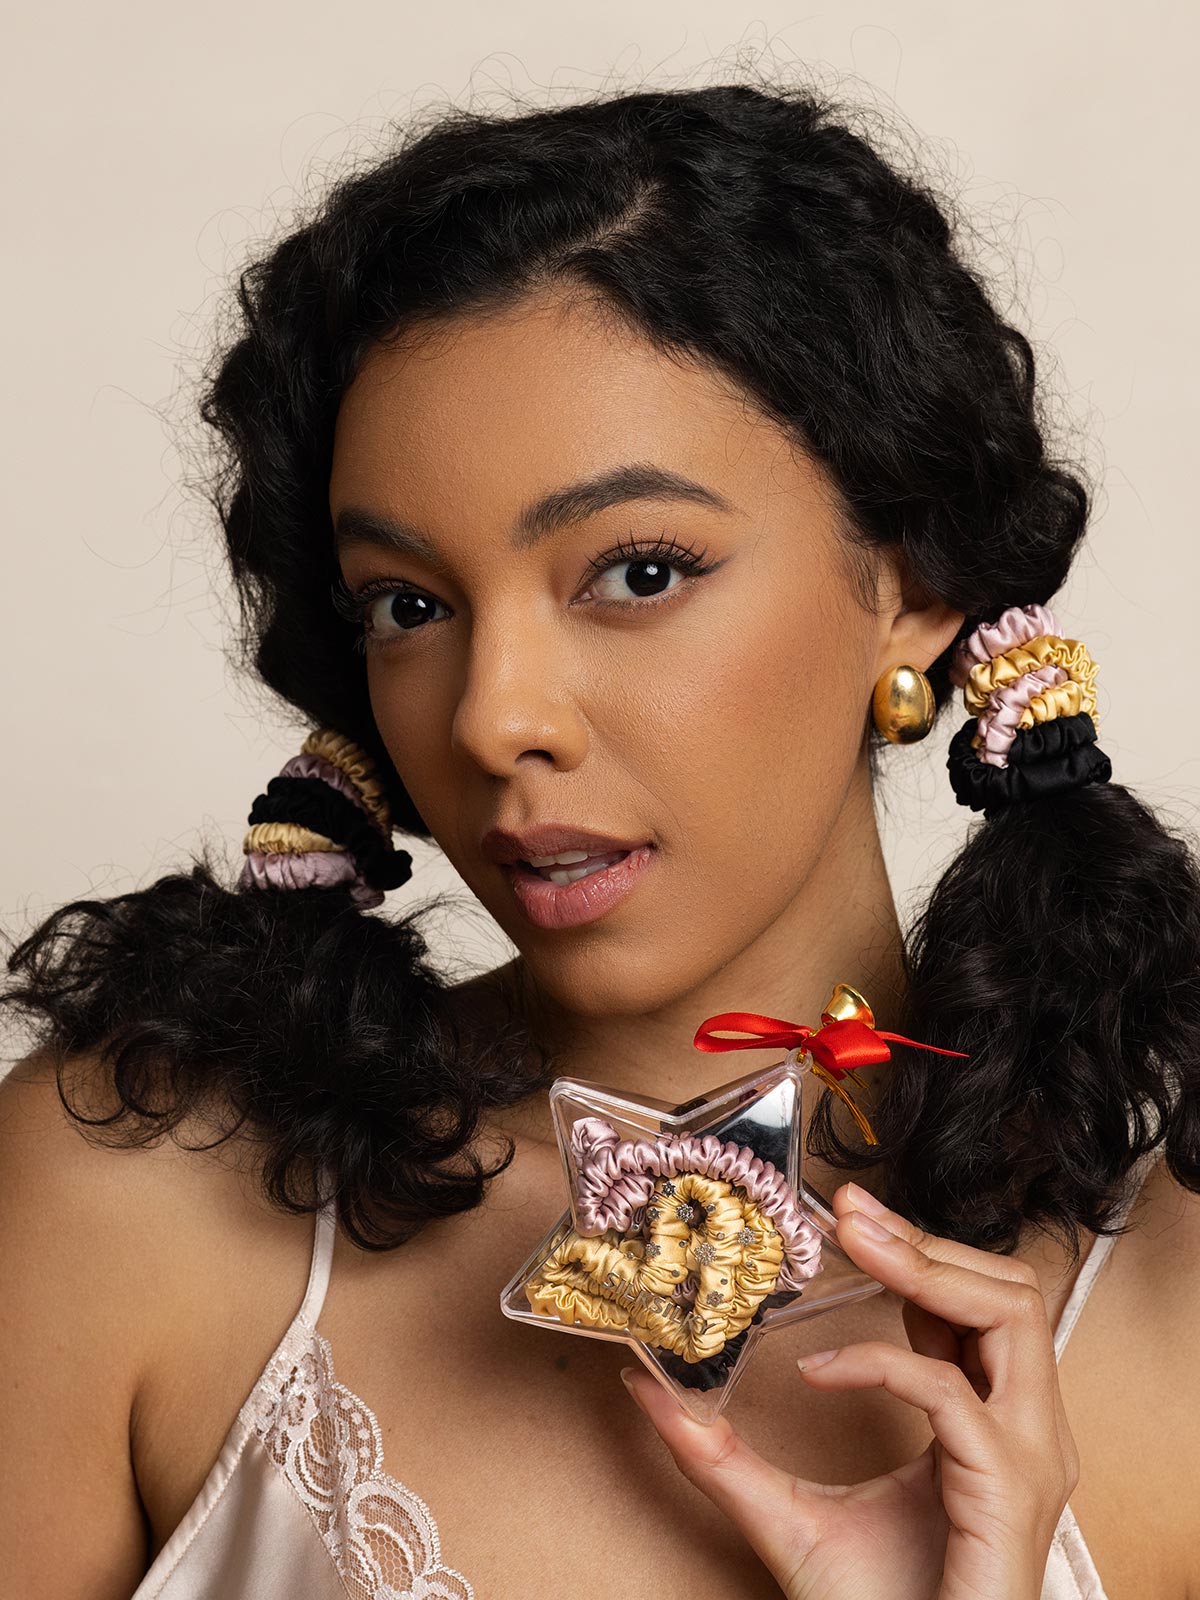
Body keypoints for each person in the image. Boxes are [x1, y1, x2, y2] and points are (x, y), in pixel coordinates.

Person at [2, 78, 1198, 1600]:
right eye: (409, 605)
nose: (494, 717)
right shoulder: (134, 1201)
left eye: (637, 571)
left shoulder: (1170, 1304)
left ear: (913, 584)